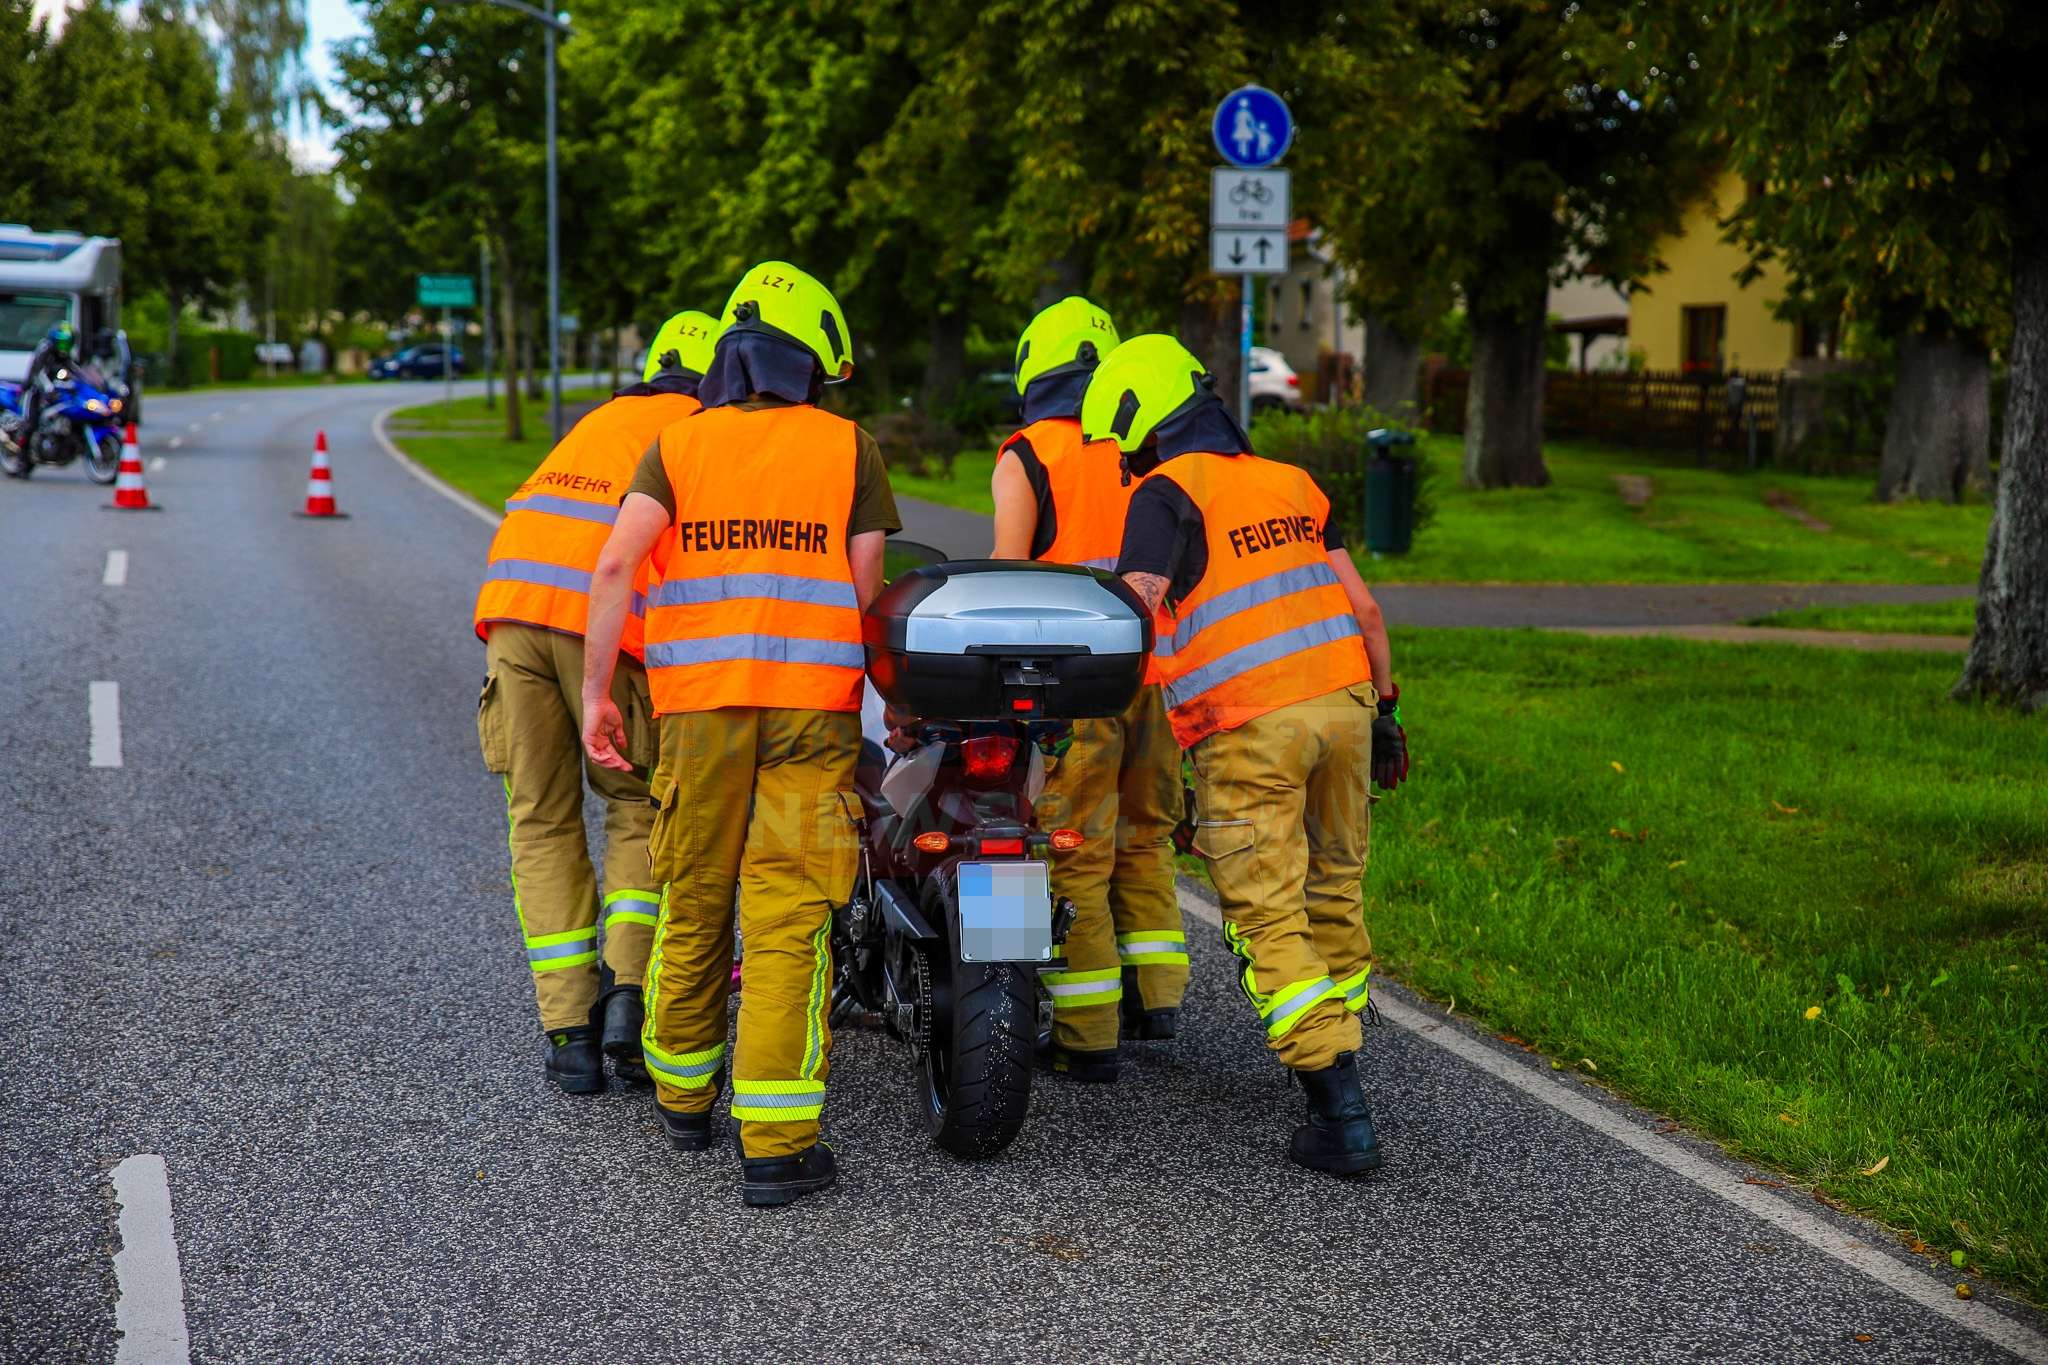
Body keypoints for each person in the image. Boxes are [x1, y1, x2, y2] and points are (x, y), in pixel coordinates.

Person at [581, 261, 900, 1208]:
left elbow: (614, 566)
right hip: (811, 711)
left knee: (693, 895)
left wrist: (598, 692)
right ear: (807, 363)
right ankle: (776, 1146)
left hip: (698, 713)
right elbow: (866, 591)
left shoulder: (676, 445)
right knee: (787, 916)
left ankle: (683, 1101)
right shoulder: (850, 447)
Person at [1082, 334, 1409, 1176]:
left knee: (1266, 908)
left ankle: (1340, 1111)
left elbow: (1137, 605)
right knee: (1333, 884)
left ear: (1143, 420)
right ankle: (1338, 1047)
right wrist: (1387, 712)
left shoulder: (1166, 491)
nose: (1126, 461)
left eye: (1125, 443)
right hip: (1346, 704)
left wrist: (1079, 681)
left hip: (1249, 724)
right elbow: (1366, 609)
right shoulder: (1292, 482)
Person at [471, 309, 718, 1095]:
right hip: (602, 629)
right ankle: (627, 997)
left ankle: (569, 1034)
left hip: (512, 616)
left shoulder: (598, 420)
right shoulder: (699, 433)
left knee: (540, 818)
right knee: (637, 805)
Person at [989, 296, 1186, 1083]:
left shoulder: (1028, 454)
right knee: (1144, 837)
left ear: (1032, 369)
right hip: (1158, 677)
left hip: (1075, 684)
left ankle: (1086, 1033)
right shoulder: (1144, 446)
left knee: (1072, 850)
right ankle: (1158, 997)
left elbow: (1006, 578)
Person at [6, 320, 78, 456]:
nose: (64, 347)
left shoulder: (64, 355)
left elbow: (75, 369)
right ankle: (22, 458)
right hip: (34, 390)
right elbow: (38, 373)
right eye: (62, 343)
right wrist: (48, 387)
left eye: (67, 343)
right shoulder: (45, 348)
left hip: (52, 393)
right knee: (30, 423)